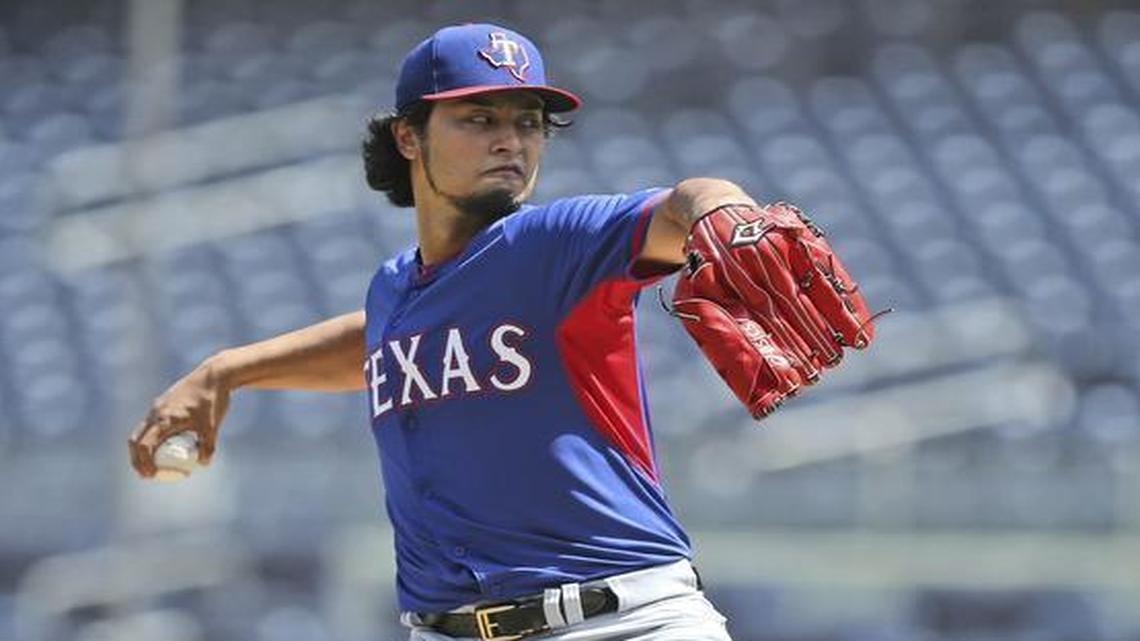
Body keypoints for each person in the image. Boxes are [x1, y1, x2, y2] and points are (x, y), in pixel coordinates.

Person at [130, 23, 761, 640]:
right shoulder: (395, 288)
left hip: (620, 620)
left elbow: (682, 202)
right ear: (408, 136)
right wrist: (228, 370)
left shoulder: (553, 243)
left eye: (529, 122)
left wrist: (720, 209)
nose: (511, 141)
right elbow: (381, 339)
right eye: (480, 119)